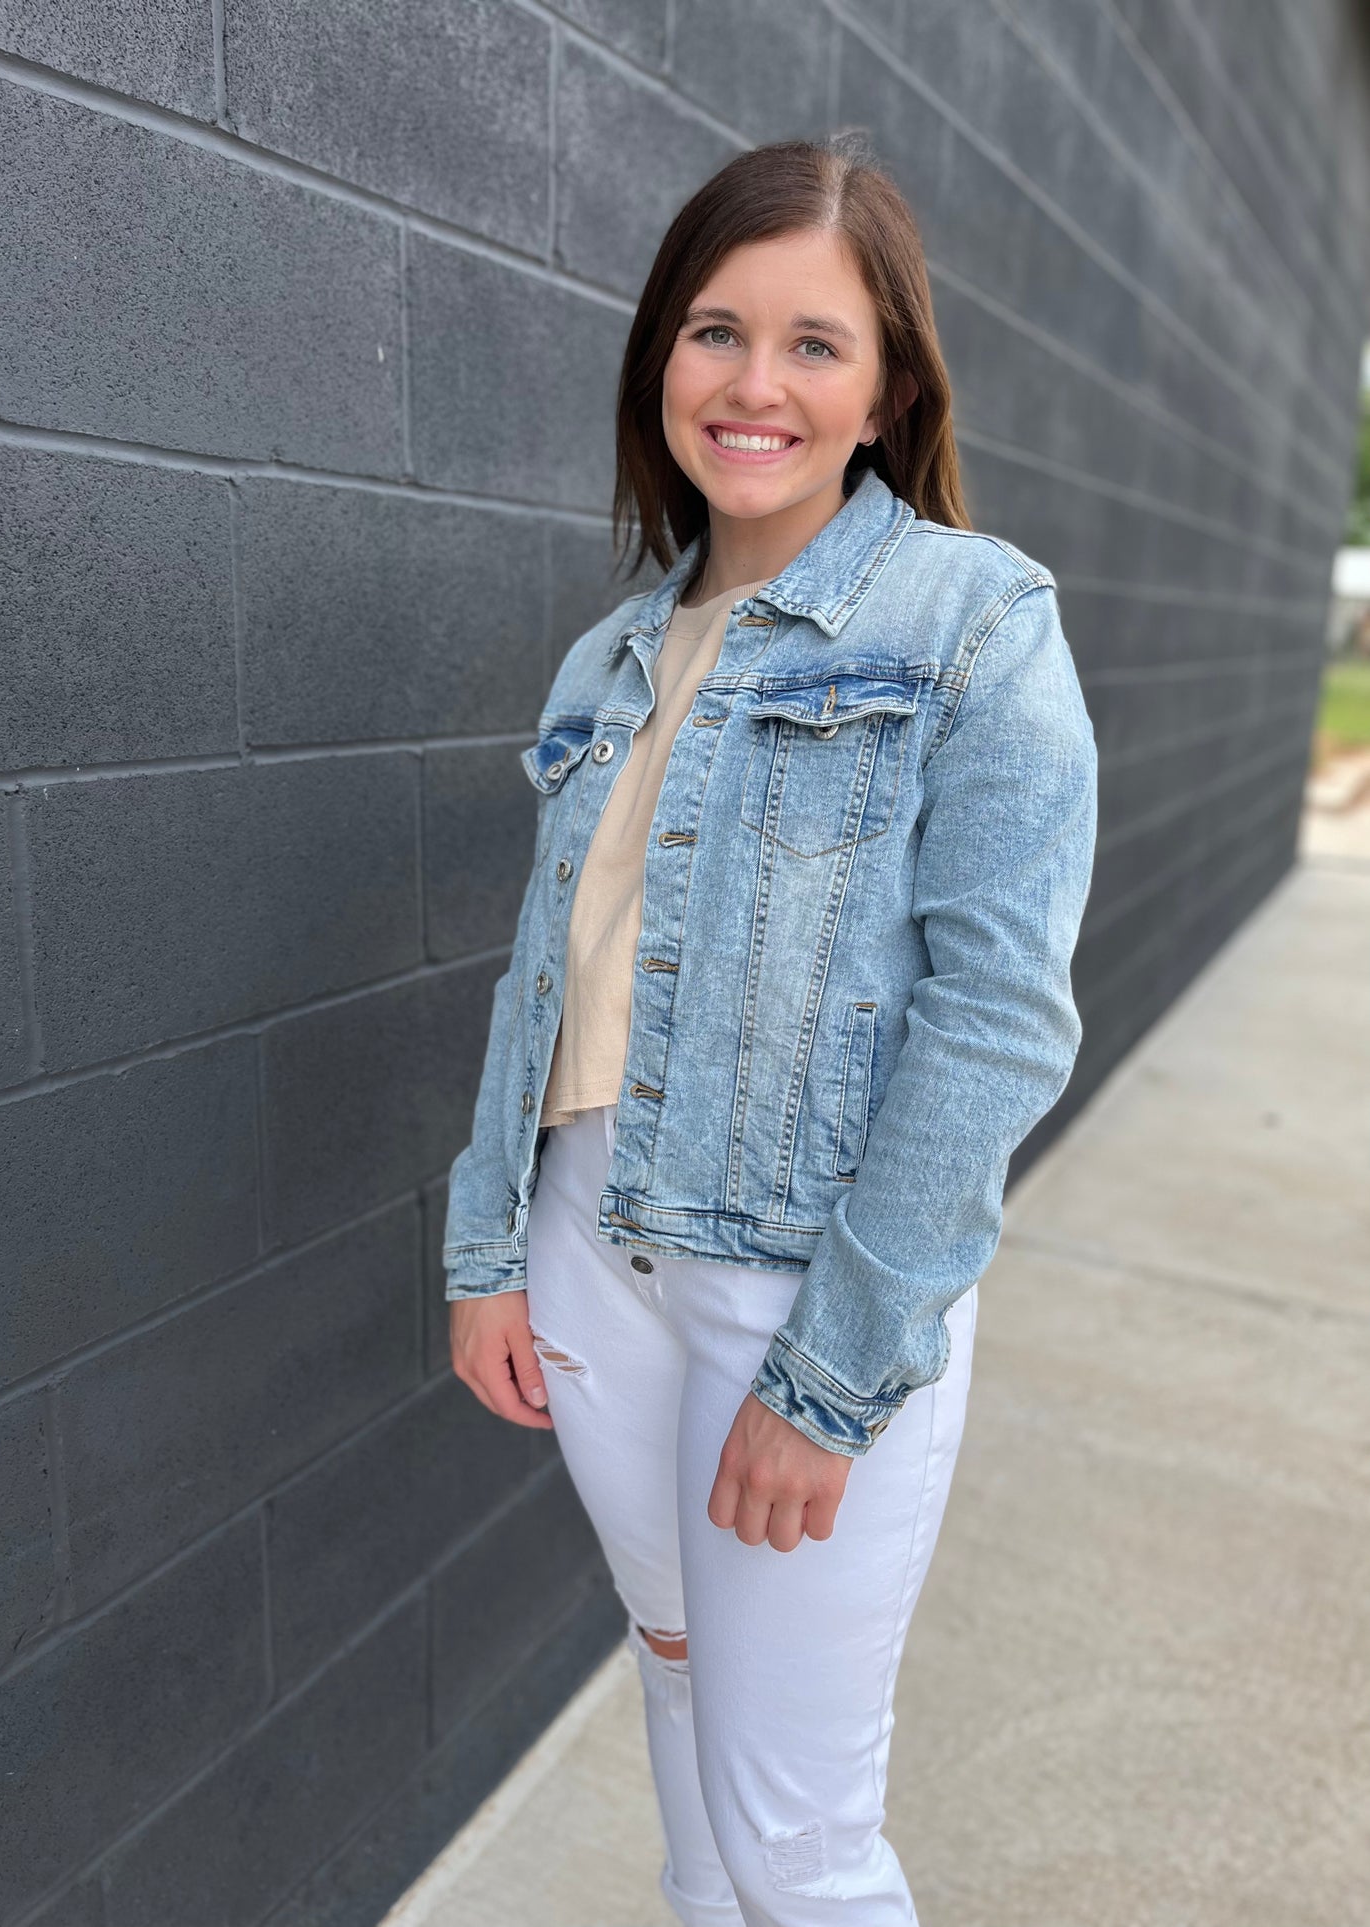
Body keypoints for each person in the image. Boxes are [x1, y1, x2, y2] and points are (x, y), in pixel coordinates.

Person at [442, 133, 1098, 1927]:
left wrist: (830, 1380)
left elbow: (995, 1027)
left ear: (887, 390)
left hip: (796, 1295)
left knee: (801, 1840)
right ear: (661, 355)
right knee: (674, 1685)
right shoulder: (613, 658)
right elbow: (543, 980)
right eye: (715, 330)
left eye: (815, 344)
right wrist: (486, 1247)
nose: (754, 383)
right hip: (588, 1261)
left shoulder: (972, 620)